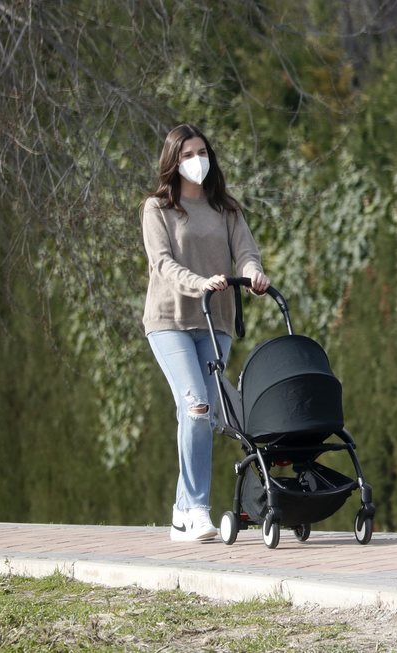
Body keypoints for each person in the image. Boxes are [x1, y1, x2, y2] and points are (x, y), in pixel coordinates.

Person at [142, 123, 270, 542]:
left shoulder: (226, 209)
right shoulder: (157, 209)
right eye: (186, 155)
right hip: (170, 320)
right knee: (197, 406)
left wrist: (253, 275)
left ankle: (181, 512)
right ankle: (196, 510)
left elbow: (246, 253)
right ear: (173, 162)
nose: (196, 160)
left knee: (203, 414)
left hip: (216, 322)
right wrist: (198, 282)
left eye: (201, 152)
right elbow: (162, 264)